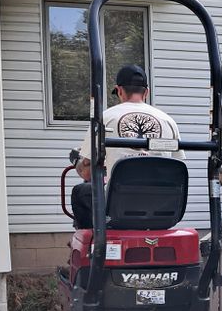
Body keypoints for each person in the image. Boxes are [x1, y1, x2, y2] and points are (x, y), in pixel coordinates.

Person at [70, 64, 184, 228]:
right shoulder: (169, 122)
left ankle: (94, 242)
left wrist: (78, 162)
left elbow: (88, 173)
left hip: (120, 205)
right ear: (146, 92)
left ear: (119, 90)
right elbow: (176, 164)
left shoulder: (104, 119)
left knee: (80, 192)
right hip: (162, 206)